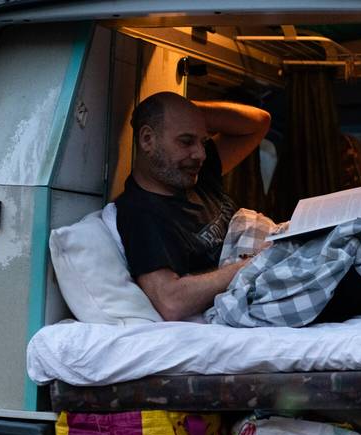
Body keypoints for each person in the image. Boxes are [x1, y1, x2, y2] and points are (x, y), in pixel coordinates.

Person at [115, 92, 270, 321]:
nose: (200, 153)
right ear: (147, 139)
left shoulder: (193, 173)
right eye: (186, 141)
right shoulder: (141, 214)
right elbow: (171, 302)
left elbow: (259, 123)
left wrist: (189, 111)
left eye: (203, 141)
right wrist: (254, 263)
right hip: (254, 276)